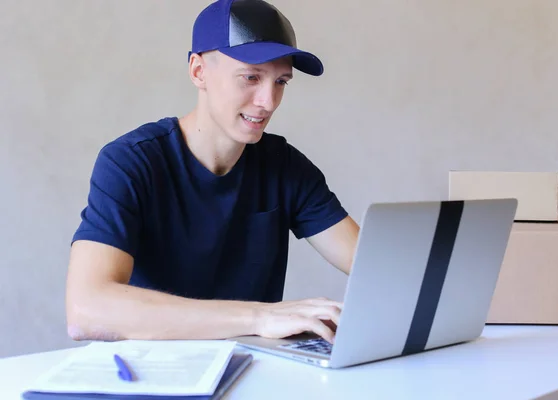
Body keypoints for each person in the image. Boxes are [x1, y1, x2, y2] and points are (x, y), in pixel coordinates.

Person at [65, 0, 359, 345]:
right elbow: (86, 311)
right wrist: (260, 316)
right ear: (198, 71)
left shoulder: (285, 167)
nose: (268, 101)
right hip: (157, 377)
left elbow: (378, 268)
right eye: (251, 77)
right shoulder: (131, 162)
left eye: (281, 82)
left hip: (254, 369)